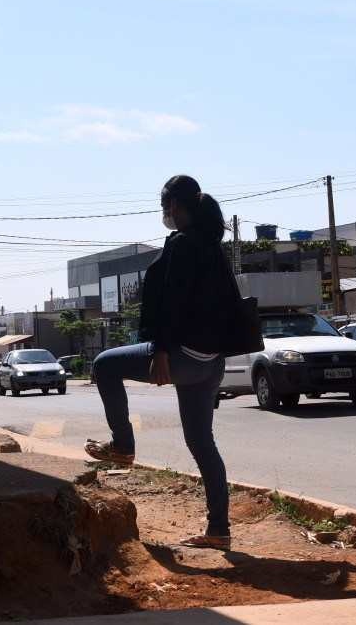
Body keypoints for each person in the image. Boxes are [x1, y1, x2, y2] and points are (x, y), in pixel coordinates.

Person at [86, 175, 242, 550]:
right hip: (211, 361)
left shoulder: (184, 246)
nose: (164, 214)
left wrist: (161, 353)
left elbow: (171, 303)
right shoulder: (212, 248)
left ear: (174, 206)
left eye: (164, 207)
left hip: (181, 355)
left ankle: (122, 446)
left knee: (104, 365)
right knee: (202, 443)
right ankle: (218, 531)